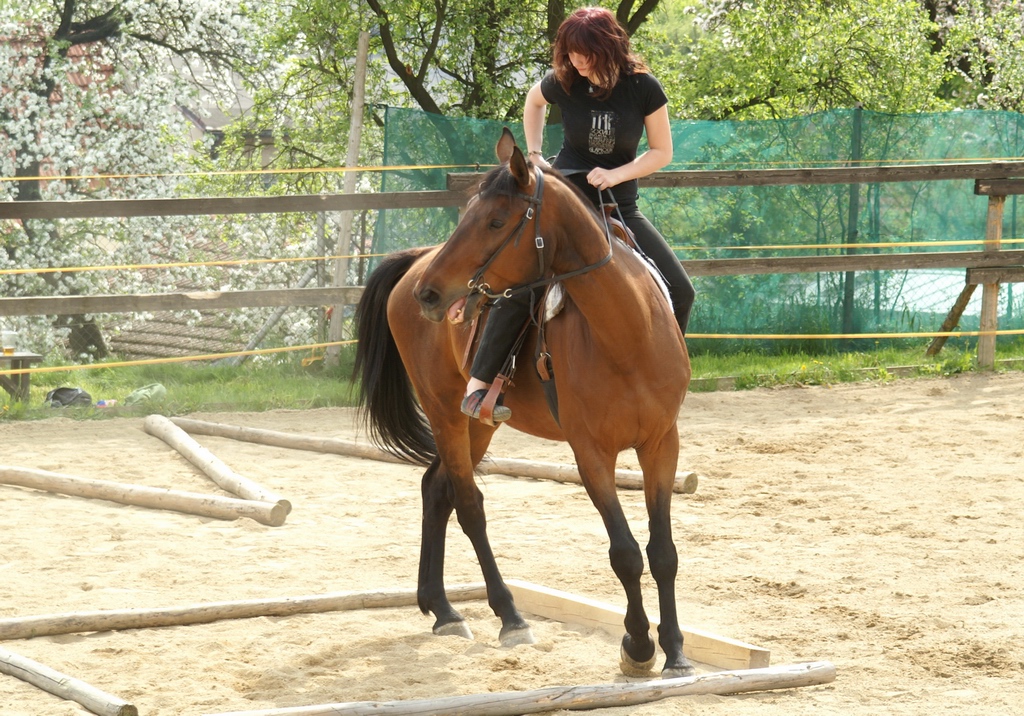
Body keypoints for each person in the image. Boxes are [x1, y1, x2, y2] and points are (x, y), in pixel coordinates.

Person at [461, 5, 695, 424]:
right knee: (525, 283)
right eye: (570, 53)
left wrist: (616, 174)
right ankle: (479, 385)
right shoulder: (565, 80)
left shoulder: (643, 87)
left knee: (681, 290)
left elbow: (662, 152)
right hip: (563, 204)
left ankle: (659, 378)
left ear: (609, 48)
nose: (577, 61)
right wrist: (535, 154)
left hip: (619, 204)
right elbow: (533, 101)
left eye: (585, 53)